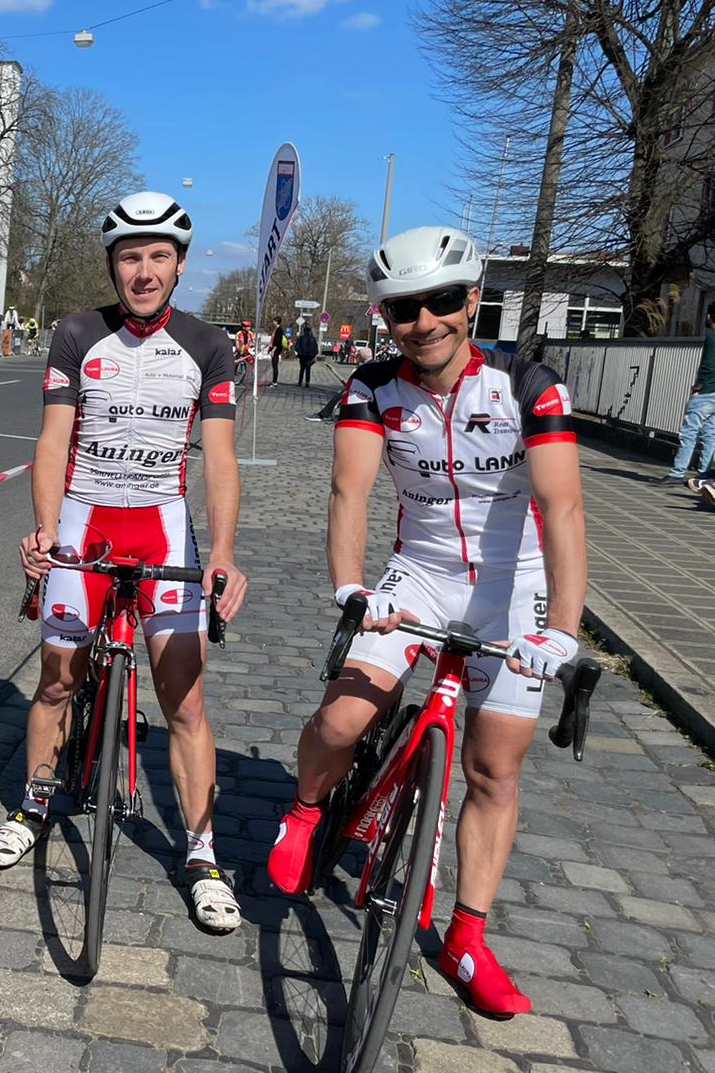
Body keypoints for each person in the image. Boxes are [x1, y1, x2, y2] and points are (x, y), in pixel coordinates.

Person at [266, 225, 586, 1017]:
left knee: (493, 769)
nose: (425, 322)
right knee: (341, 719)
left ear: (472, 300)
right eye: (404, 309)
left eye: (442, 301)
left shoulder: (528, 385)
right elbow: (350, 491)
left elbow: (563, 508)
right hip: (422, 577)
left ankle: (467, 938)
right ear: (386, 318)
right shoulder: (373, 387)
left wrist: (563, 628)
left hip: (515, 587)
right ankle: (305, 810)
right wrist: (352, 587)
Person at [0, 190, 250, 933]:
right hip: (86, 525)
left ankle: (202, 856)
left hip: (162, 529)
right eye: (131, 257)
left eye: (159, 256)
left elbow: (220, 461)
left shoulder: (207, 345)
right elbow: (51, 441)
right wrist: (44, 532)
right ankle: (33, 804)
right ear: (113, 265)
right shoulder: (76, 334)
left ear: (180, 265)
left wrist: (224, 554)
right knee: (56, 682)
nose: (144, 271)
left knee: (185, 704)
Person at [665, 301, 715, 485]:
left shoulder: (712, 337)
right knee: (710, 434)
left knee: (689, 432)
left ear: (709, 316)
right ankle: (703, 475)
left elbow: (708, 365)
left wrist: (698, 387)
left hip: (707, 392)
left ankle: (677, 473)